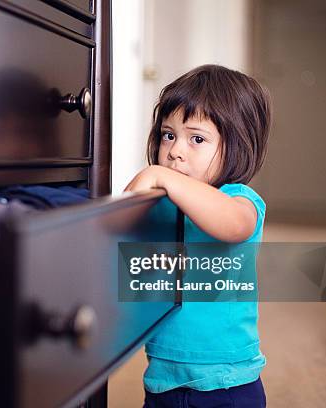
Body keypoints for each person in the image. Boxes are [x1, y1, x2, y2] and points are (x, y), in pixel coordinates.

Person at [124, 64, 271, 408]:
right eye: (168, 135)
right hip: (163, 377)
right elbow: (121, 231)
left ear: (238, 146)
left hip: (227, 383)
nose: (175, 150)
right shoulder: (162, 200)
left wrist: (162, 175)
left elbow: (234, 225)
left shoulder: (239, 200)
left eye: (197, 139)